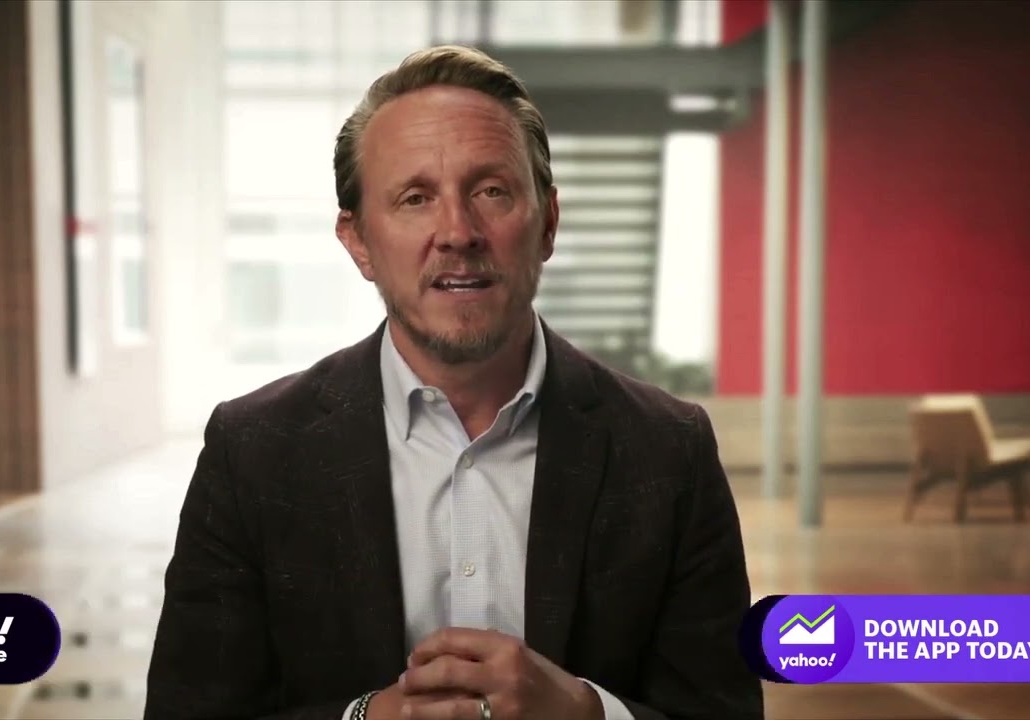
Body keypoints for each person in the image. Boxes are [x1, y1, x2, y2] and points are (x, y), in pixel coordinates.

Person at [145, 45, 763, 720]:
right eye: (415, 198)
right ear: (358, 241)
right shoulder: (251, 451)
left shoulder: (670, 450)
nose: (458, 232)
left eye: (491, 191)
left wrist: (588, 714)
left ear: (548, 223)